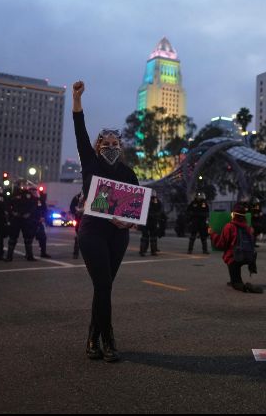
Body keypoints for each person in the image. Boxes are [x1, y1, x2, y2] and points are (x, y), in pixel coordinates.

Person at [73, 80, 139, 363]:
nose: (110, 146)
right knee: (103, 286)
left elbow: (135, 211)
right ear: (97, 146)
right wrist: (77, 100)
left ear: (120, 147)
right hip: (92, 232)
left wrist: (128, 223)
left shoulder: (128, 172)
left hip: (117, 235)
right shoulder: (90, 163)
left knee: (105, 287)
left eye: (115, 143)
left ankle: (92, 338)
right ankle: (108, 339)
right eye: (105, 143)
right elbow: (79, 130)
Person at [208, 204, 263, 293]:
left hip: (234, 257)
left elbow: (221, 244)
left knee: (236, 283)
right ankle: (234, 278)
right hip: (248, 257)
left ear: (233, 215)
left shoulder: (229, 227)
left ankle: (245, 286)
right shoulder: (248, 228)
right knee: (236, 268)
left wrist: (212, 234)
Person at [5, 179, 38, 262]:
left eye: (26, 184)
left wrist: (29, 213)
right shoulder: (14, 194)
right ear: (19, 185)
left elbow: (34, 206)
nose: (25, 186)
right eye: (23, 184)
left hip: (26, 219)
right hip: (16, 218)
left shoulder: (29, 195)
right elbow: (7, 205)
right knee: (13, 238)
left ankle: (29, 256)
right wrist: (12, 213)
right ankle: (9, 256)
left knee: (28, 238)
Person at [139, 191, 165, 256]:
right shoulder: (145, 200)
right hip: (146, 221)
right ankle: (143, 251)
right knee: (145, 237)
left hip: (153, 221)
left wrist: (157, 215)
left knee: (153, 236)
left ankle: (152, 251)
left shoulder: (156, 201)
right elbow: (143, 209)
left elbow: (161, 209)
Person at [70, 191, 84, 259]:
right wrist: (77, 211)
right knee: (78, 236)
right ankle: (76, 253)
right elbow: (72, 207)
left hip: (87, 219)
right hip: (79, 218)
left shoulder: (91, 195)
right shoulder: (77, 197)